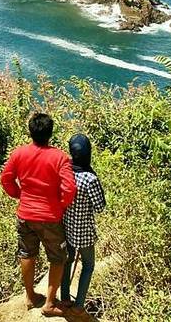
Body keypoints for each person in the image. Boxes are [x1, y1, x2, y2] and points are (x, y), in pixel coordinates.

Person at [0, 112, 76, 317]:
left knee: (27, 254)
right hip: (50, 217)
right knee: (58, 258)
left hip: (25, 214)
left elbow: (6, 179)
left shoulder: (19, 154)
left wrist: (19, 195)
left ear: (30, 132)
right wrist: (59, 205)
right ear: (50, 133)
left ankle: (30, 296)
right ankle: (50, 304)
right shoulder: (60, 157)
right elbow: (69, 189)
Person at [60, 134, 107, 315]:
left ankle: (64, 298)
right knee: (88, 265)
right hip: (85, 232)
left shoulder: (65, 172)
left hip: (67, 228)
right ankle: (79, 305)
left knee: (67, 262)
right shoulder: (90, 179)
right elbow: (100, 206)